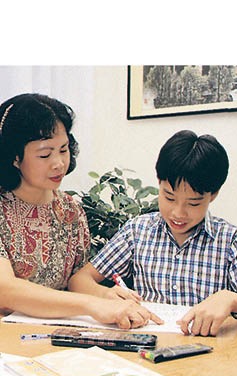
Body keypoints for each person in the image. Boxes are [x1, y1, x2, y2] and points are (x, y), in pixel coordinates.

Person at [0, 93, 160, 329]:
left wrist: (105, 296)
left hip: (58, 334)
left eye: (63, 150)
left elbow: (77, 279)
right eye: (45, 154)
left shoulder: (70, 210)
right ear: (14, 158)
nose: (58, 163)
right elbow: (6, 290)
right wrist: (90, 305)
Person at [70, 130, 237, 336]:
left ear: (213, 194)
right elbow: (79, 281)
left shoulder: (232, 241)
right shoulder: (138, 231)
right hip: (145, 342)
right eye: (169, 198)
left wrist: (233, 300)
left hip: (205, 350)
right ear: (159, 183)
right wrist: (106, 295)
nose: (178, 213)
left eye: (193, 203)